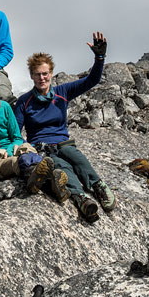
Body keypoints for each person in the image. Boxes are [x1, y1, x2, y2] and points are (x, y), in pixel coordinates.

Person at [13, 32, 116, 223]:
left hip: (64, 143)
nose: (42, 78)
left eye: (45, 73)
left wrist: (99, 57)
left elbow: (91, 80)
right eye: (37, 74)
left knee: (76, 158)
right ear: (31, 76)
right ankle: (82, 198)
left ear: (51, 73)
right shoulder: (24, 101)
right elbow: (16, 132)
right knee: (62, 166)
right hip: (42, 148)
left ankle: (98, 186)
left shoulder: (63, 92)